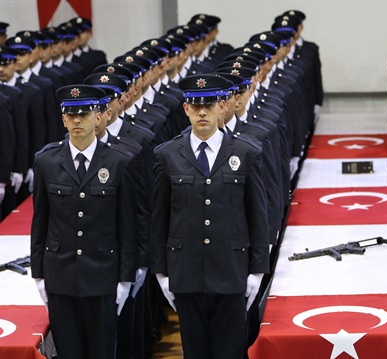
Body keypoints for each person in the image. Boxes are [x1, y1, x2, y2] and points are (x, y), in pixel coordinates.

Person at [151, 74, 269, 358]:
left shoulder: (245, 152)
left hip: (231, 270)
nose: (202, 112)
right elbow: (159, 219)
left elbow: (257, 215)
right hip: (186, 272)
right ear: (186, 109)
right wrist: (161, 273)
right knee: (195, 351)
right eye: (195, 105)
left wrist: (256, 271)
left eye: (210, 104)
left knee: (230, 350)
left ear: (223, 107)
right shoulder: (167, 155)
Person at [30, 84, 138, 359]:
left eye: (84, 113)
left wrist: (124, 281)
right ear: (63, 119)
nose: (77, 120)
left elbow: (127, 227)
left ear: (98, 117)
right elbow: (40, 223)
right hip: (60, 277)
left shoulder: (118, 162)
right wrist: (39, 275)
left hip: (102, 277)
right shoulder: (46, 161)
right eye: (71, 114)